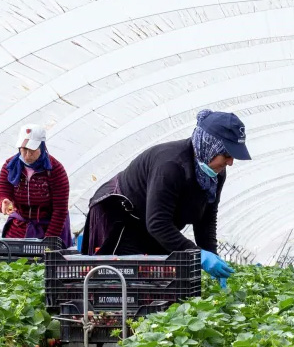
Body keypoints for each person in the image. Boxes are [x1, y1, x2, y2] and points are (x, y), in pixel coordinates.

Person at [82, 109, 250, 287]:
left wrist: (212, 256)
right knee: (122, 283)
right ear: (210, 146)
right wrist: (198, 255)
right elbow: (158, 223)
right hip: (122, 218)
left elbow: (206, 219)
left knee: (161, 283)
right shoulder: (171, 165)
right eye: (227, 155)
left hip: (152, 224)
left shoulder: (216, 174)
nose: (230, 162)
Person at [0, 125, 71, 245]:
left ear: (42, 146)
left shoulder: (55, 170)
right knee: (13, 261)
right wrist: (3, 202)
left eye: (32, 149)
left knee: (44, 262)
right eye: (24, 149)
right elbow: (1, 194)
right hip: (18, 228)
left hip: (48, 227)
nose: (27, 155)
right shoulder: (10, 167)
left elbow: (60, 210)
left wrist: (49, 242)